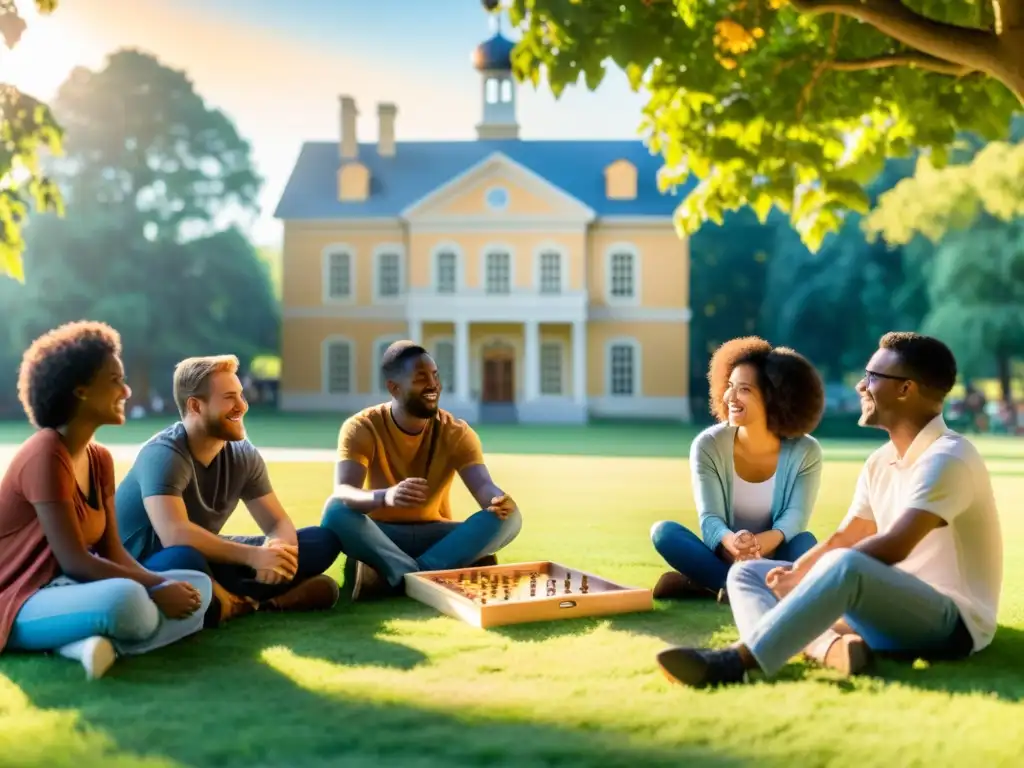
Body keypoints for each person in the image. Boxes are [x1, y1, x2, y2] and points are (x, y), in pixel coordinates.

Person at [656, 332, 1003, 687]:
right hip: (884, 608)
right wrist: (798, 573)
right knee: (746, 574)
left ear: (905, 389)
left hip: (951, 624)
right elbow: (846, 536)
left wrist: (811, 577)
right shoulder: (880, 462)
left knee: (846, 563)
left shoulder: (948, 458)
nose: (860, 387)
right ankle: (827, 647)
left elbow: (896, 544)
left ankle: (737, 661)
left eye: (872, 377)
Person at [0, 321, 212, 680]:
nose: (126, 390)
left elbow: (113, 550)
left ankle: (85, 644)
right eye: (114, 380)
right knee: (128, 602)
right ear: (81, 390)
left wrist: (165, 587)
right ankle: (87, 639)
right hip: (19, 601)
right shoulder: (46, 453)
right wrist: (156, 588)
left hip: (74, 593)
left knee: (198, 588)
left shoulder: (100, 460)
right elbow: (76, 562)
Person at [115, 355, 343, 626]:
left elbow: (277, 521)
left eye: (241, 395)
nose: (242, 406)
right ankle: (263, 600)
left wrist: (277, 553)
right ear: (196, 406)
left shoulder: (242, 454)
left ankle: (231, 602)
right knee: (184, 557)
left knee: (321, 540)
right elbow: (175, 534)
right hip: (147, 567)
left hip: (205, 561)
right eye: (229, 397)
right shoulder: (164, 454)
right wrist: (253, 557)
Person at [320, 341, 522, 601]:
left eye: (435, 376)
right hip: (381, 535)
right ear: (394, 388)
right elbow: (346, 491)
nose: (433, 385)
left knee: (510, 515)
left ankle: (396, 576)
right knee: (334, 510)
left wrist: (496, 499)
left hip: (437, 537)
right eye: (420, 378)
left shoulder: (456, 431)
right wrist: (386, 496)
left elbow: (483, 485)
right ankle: (436, 576)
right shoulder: (361, 427)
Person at [650, 337, 826, 602]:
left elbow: (794, 518)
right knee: (664, 532)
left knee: (805, 542)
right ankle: (747, 586)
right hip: (725, 555)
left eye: (744, 389)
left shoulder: (806, 452)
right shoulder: (708, 445)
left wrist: (757, 546)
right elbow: (710, 519)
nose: (730, 396)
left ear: (773, 399)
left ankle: (710, 585)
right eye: (729, 386)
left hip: (775, 556)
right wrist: (733, 543)